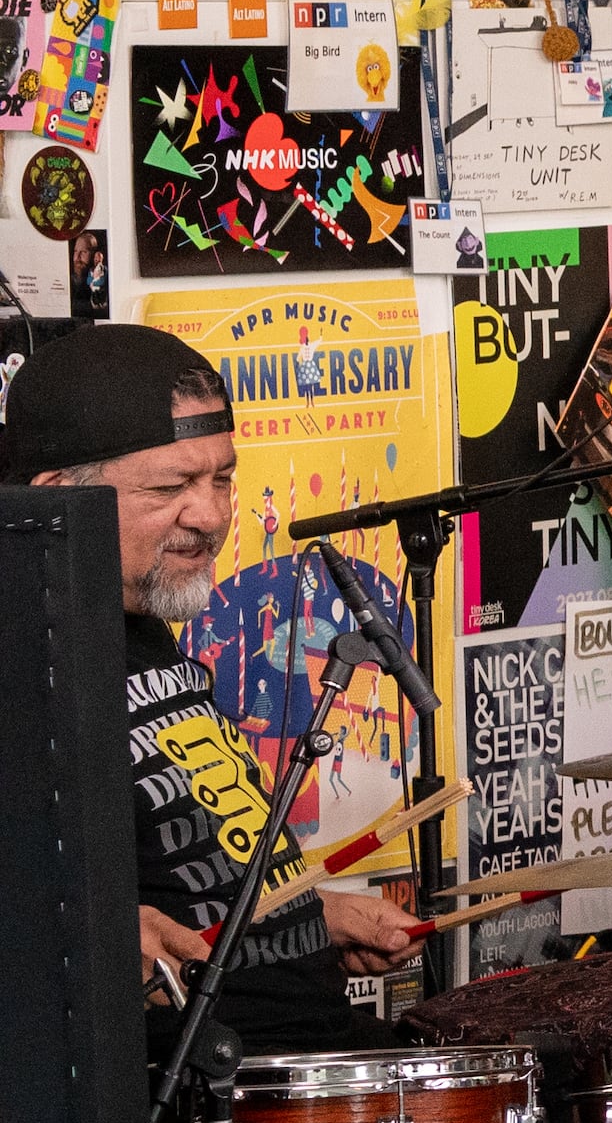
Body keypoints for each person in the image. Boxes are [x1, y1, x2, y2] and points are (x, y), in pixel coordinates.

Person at [11, 324, 422, 1021]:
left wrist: (312, 916)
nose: (212, 515)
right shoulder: (24, 659)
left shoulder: (139, 622)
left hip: (323, 1058)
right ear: (55, 498)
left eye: (221, 477)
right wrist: (92, 938)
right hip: (209, 1102)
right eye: (172, 485)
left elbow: (189, 877)